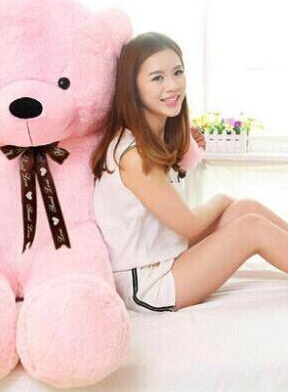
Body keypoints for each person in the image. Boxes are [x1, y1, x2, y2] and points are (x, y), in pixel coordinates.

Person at [92, 32, 288, 313]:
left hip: (166, 256)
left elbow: (168, 214)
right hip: (147, 285)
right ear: (132, 87)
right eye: (157, 78)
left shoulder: (151, 140)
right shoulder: (133, 155)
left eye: (178, 72)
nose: (173, 85)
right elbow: (189, 226)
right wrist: (222, 198)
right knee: (251, 228)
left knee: (246, 209)